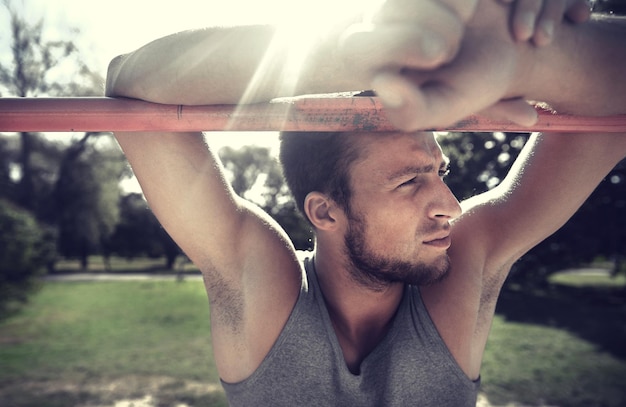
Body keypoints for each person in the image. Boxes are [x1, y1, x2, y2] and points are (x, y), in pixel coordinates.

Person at [105, 0, 626, 405]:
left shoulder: (462, 262)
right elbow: (129, 81)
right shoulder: (265, 283)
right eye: (408, 182)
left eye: (438, 173)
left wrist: (524, 59)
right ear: (324, 212)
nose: (450, 205)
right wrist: (363, 52)